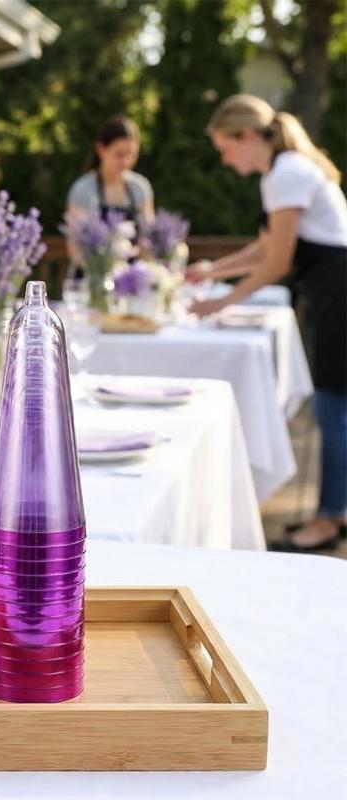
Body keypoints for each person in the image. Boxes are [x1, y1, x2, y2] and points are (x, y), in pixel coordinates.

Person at [187, 94, 347, 552]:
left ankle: (328, 519)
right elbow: (264, 248)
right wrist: (212, 271)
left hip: (338, 292)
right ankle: (333, 511)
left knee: (333, 410)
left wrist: (220, 302)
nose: (225, 160)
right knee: (334, 408)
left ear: (247, 135)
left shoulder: (287, 173)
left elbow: (277, 263)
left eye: (226, 148)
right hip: (330, 291)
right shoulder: (283, 171)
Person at [66, 115, 155, 228]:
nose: (125, 161)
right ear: (101, 149)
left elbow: (149, 232)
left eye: (131, 155)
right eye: (119, 154)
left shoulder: (140, 186)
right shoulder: (83, 189)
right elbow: (75, 237)